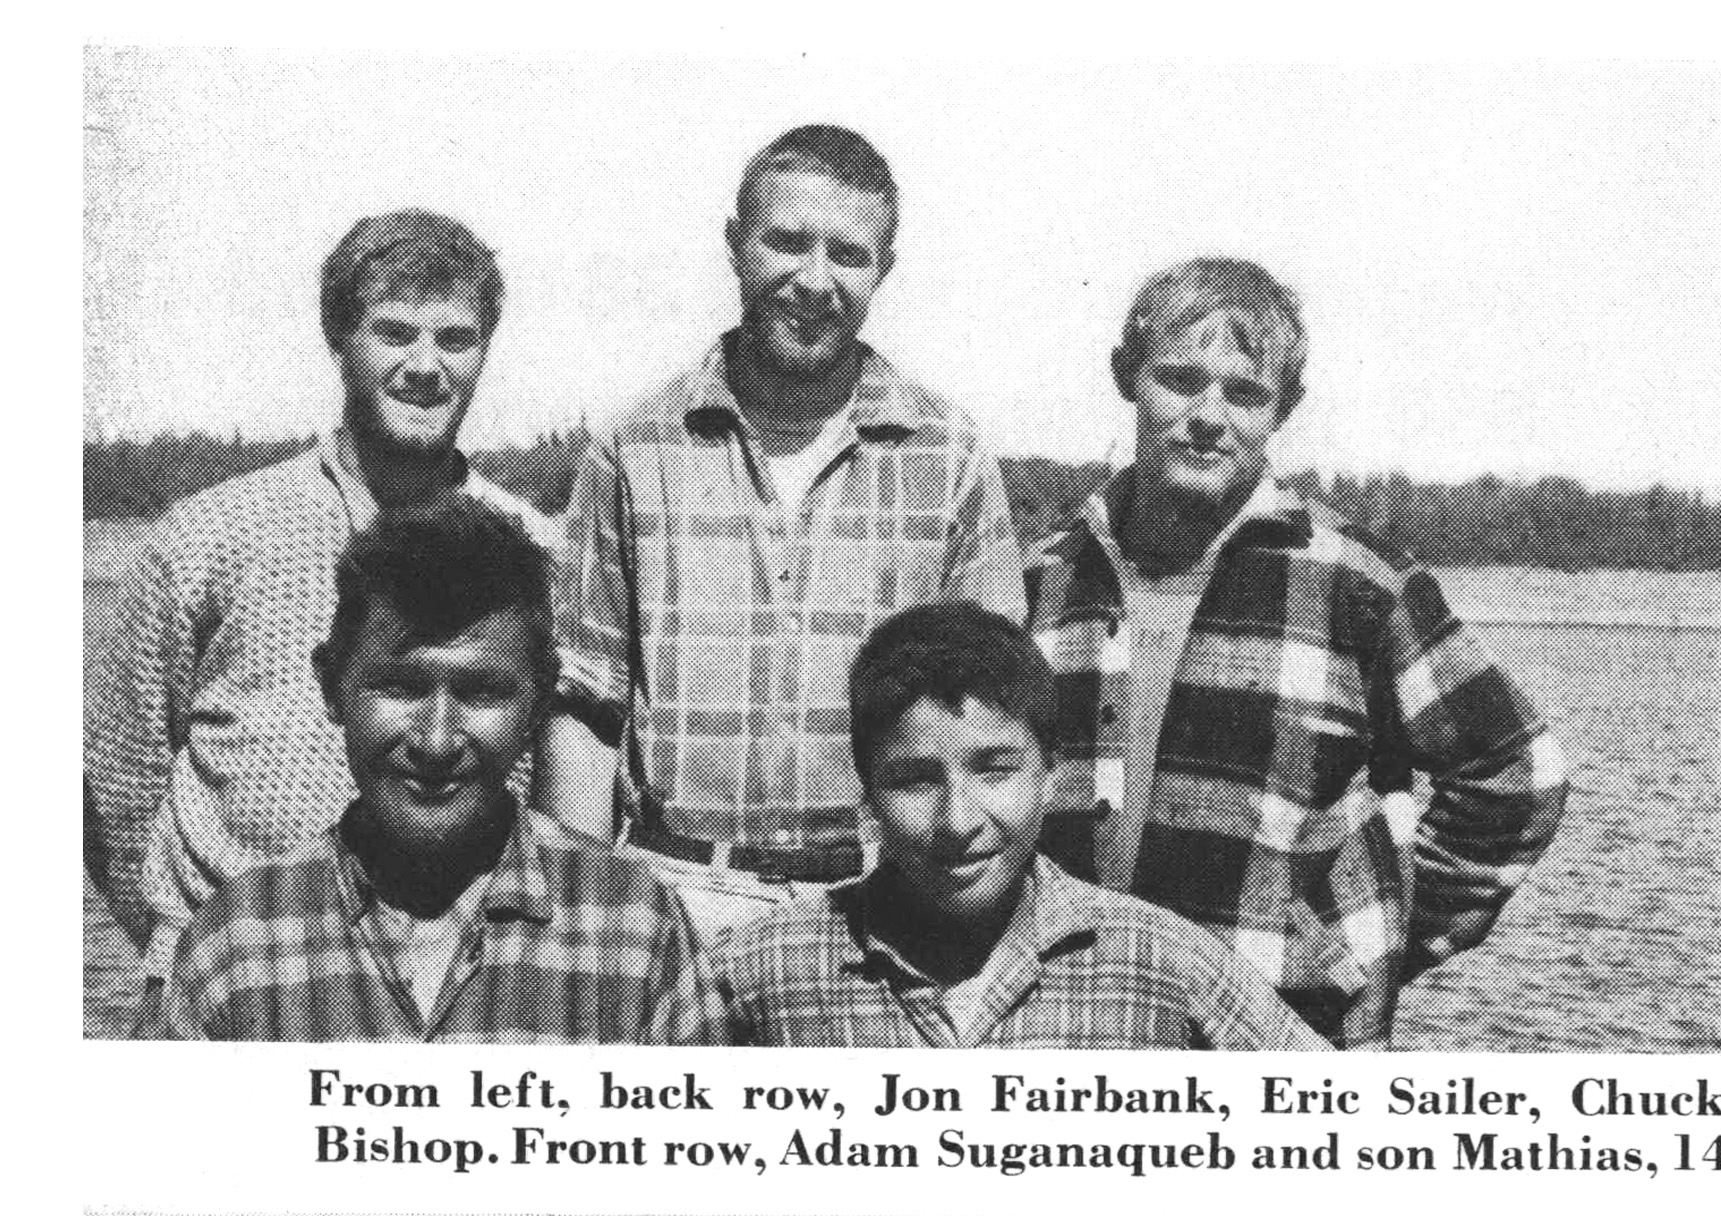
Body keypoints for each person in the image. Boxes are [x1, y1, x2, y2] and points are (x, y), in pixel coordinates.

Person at [1026, 258, 1569, 1047]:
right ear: (1124, 377)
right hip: (1071, 1030)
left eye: (1244, 393)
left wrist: (1363, 942)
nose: (1207, 416)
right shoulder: (1040, 579)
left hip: (1286, 1036)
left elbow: (1518, 772)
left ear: (1284, 407)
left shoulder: (1361, 586)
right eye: (1178, 381)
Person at [545, 125, 1024, 940]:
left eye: (848, 254)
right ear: (735, 245)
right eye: (787, 242)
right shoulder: (635, 447)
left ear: (884, 268)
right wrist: (575, 922)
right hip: (669, 894)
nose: (814, 280)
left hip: (878, 901)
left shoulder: (948, 457)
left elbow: (986, 723)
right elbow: (584, 710)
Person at [84, 210, 552, 1008]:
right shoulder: (210, 536)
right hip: (224, 983)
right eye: (394, 333)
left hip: (454, 989)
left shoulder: (532, 555)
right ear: (339, 337)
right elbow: (114, 788)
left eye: (455, 340)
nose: (425, 366)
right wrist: (191, 943)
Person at [162, 499, 722, 1042]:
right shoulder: (232, 947)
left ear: (540, 701)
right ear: (331, 686)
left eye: (481, 693)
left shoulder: (638, 930)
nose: (435, 742)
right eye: (401, 687)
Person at [710, 601, 1329, 1049]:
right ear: (867, 793)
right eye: (914, 781)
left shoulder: (1162, 965)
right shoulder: (755, 975)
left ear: (1050, 775)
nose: (957, 821)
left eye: (994, 771)